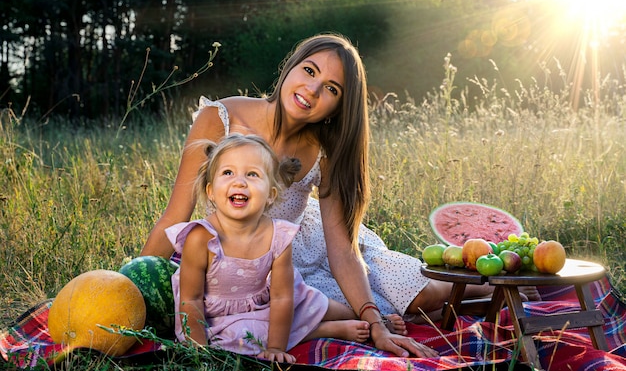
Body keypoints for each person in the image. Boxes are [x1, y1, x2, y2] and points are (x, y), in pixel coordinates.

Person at [142, 32, 495, 358]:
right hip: (265, 263)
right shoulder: (220, 118)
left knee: (422, 296)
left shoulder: (324, 149)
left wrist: (371, 319)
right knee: (394, 312)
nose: (311, 90)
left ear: (339, 107)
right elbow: (175, 216)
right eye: (309, 70)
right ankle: (490, 298)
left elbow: (342, 250)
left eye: (331, 89)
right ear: (291, 66)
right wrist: (129, 285)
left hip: (313, 245)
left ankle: (495, 287)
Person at [168, 133, 393, 363]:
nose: (239, 182)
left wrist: (275, 348)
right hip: (215, 317)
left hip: (264, 300)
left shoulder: (277, 236)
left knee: (309, 302)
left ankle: (375, 320)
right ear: (211, 192)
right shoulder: (201, 238)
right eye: (228, 173)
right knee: (241, 337)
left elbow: (282, 297)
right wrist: (199, 351)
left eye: (252, 174)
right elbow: (191, 299)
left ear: (270, 195)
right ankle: (321, 331)